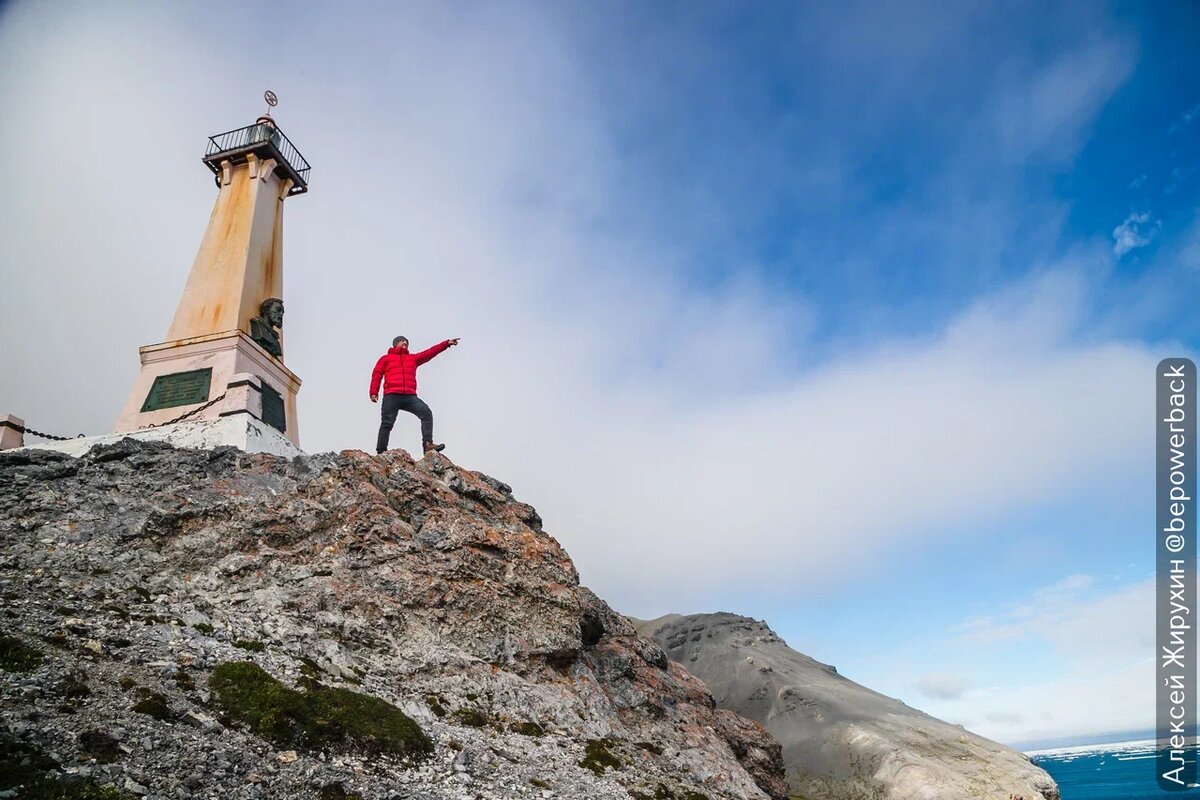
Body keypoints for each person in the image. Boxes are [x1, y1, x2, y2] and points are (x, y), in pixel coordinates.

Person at [370, 335, 460, 454]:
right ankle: (381, 452)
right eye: (402, 341)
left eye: (406, 342)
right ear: (395, 344)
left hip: (409, 397)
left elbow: (430, 352)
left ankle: (428, 445)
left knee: (426, 413)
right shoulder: (386, 359)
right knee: (387, 423)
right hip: (391, 395)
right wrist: (373, 392)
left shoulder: (412, 358)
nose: (405, 343)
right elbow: (377, 374)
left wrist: (446, 343)